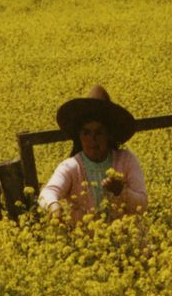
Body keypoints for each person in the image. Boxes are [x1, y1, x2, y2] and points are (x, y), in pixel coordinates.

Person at [39, 85, 148, 224]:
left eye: (99, 132)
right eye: (86, 133)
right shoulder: (72, 167)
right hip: (85, 236)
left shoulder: (126, 160)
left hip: (127, 236)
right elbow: (48, 192)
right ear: (79, 136)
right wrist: (53, 206)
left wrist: (121, 191)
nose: (92, 139)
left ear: (109, 135)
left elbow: (143, 204)